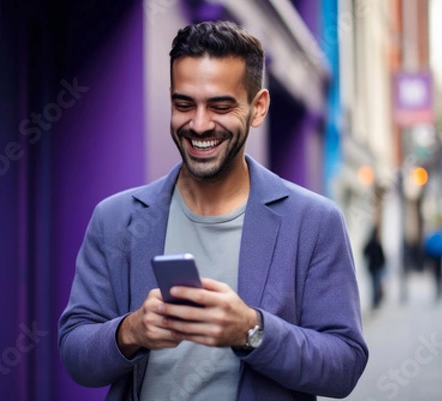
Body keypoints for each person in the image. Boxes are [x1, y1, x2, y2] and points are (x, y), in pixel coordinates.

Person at [58, 20, 368, 400]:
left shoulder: (314, 222)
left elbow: (344, 367)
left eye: (220, 106)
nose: (199, 124)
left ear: (258, 108)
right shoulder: (116, 219)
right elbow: (75, 354)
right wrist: (131, 331)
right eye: (184, 104)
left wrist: (252, 331)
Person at [363, 226, 386, 309]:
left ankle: (376, 301)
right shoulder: (374, 243)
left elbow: (382, 257)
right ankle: (375, 301)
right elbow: (365, 252)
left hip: (375, 268)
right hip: (375, 268)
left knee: (375, 285)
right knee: (375, 285)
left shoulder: (374, 243)